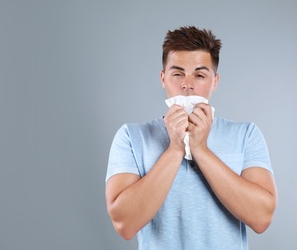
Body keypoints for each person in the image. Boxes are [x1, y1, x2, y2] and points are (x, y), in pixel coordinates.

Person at [105, 26, 277, 250]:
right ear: (163, 79)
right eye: (177, 74)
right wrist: (176, 148)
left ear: (214, 81)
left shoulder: (246, 135)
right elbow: (124, 224)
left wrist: (201, 149)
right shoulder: (131, 137)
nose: (187, 84)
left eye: (199, 75)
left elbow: (262, 218)